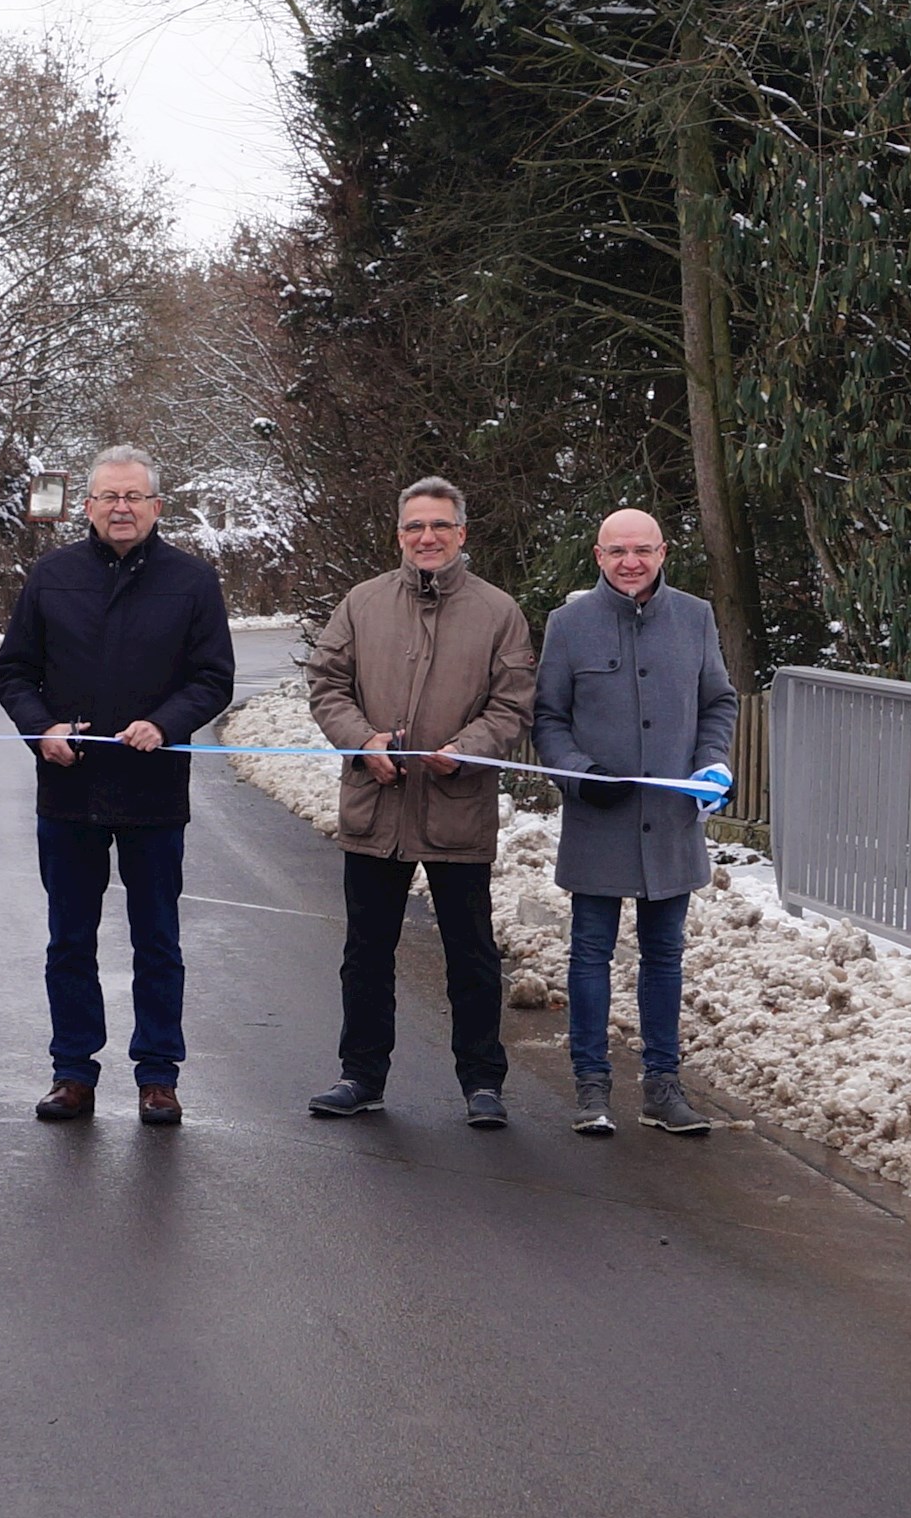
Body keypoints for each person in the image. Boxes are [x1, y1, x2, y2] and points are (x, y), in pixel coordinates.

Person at [0, 445, 235, 1127]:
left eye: (134, 497)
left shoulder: (192, 581)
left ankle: (158, 1074)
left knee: (156, 939)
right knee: (70, 939)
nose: (121, 508)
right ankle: (73, 1071)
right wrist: (41, 729)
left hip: (153, 789)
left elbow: (213, 677)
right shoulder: (52, 575)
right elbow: (15, 672)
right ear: (89, 506)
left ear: (157, 506)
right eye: (108, 497)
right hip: (69, 790)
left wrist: (167, 723)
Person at [303, 476, 533, 1126]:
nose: (425, 537)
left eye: (438, 526)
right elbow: (326, 684)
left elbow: (514, 701)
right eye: (414, 527)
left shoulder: (498, 611)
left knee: (472, 952)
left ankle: (482, 1081)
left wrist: (469, 745)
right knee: (367, 952)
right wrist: (360, 740)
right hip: (376, 807)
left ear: (461, 533)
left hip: (457, 807)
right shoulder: (362, 603)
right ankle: (361, 1075)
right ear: (399, 534)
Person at [530, 506, 738, 1136]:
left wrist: (712, 766)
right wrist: (576, 769)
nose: (631, 562)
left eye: (642, 550)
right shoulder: (568, 625)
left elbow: (718, 701)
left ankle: (662, 1087)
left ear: (663, 552)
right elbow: (548, 717)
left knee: (664, 956)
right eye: (618, 551)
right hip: (599, 821)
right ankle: (591, 1086)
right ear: (598, 556)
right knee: (589, 953)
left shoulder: (696, 618)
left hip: (671, 824)